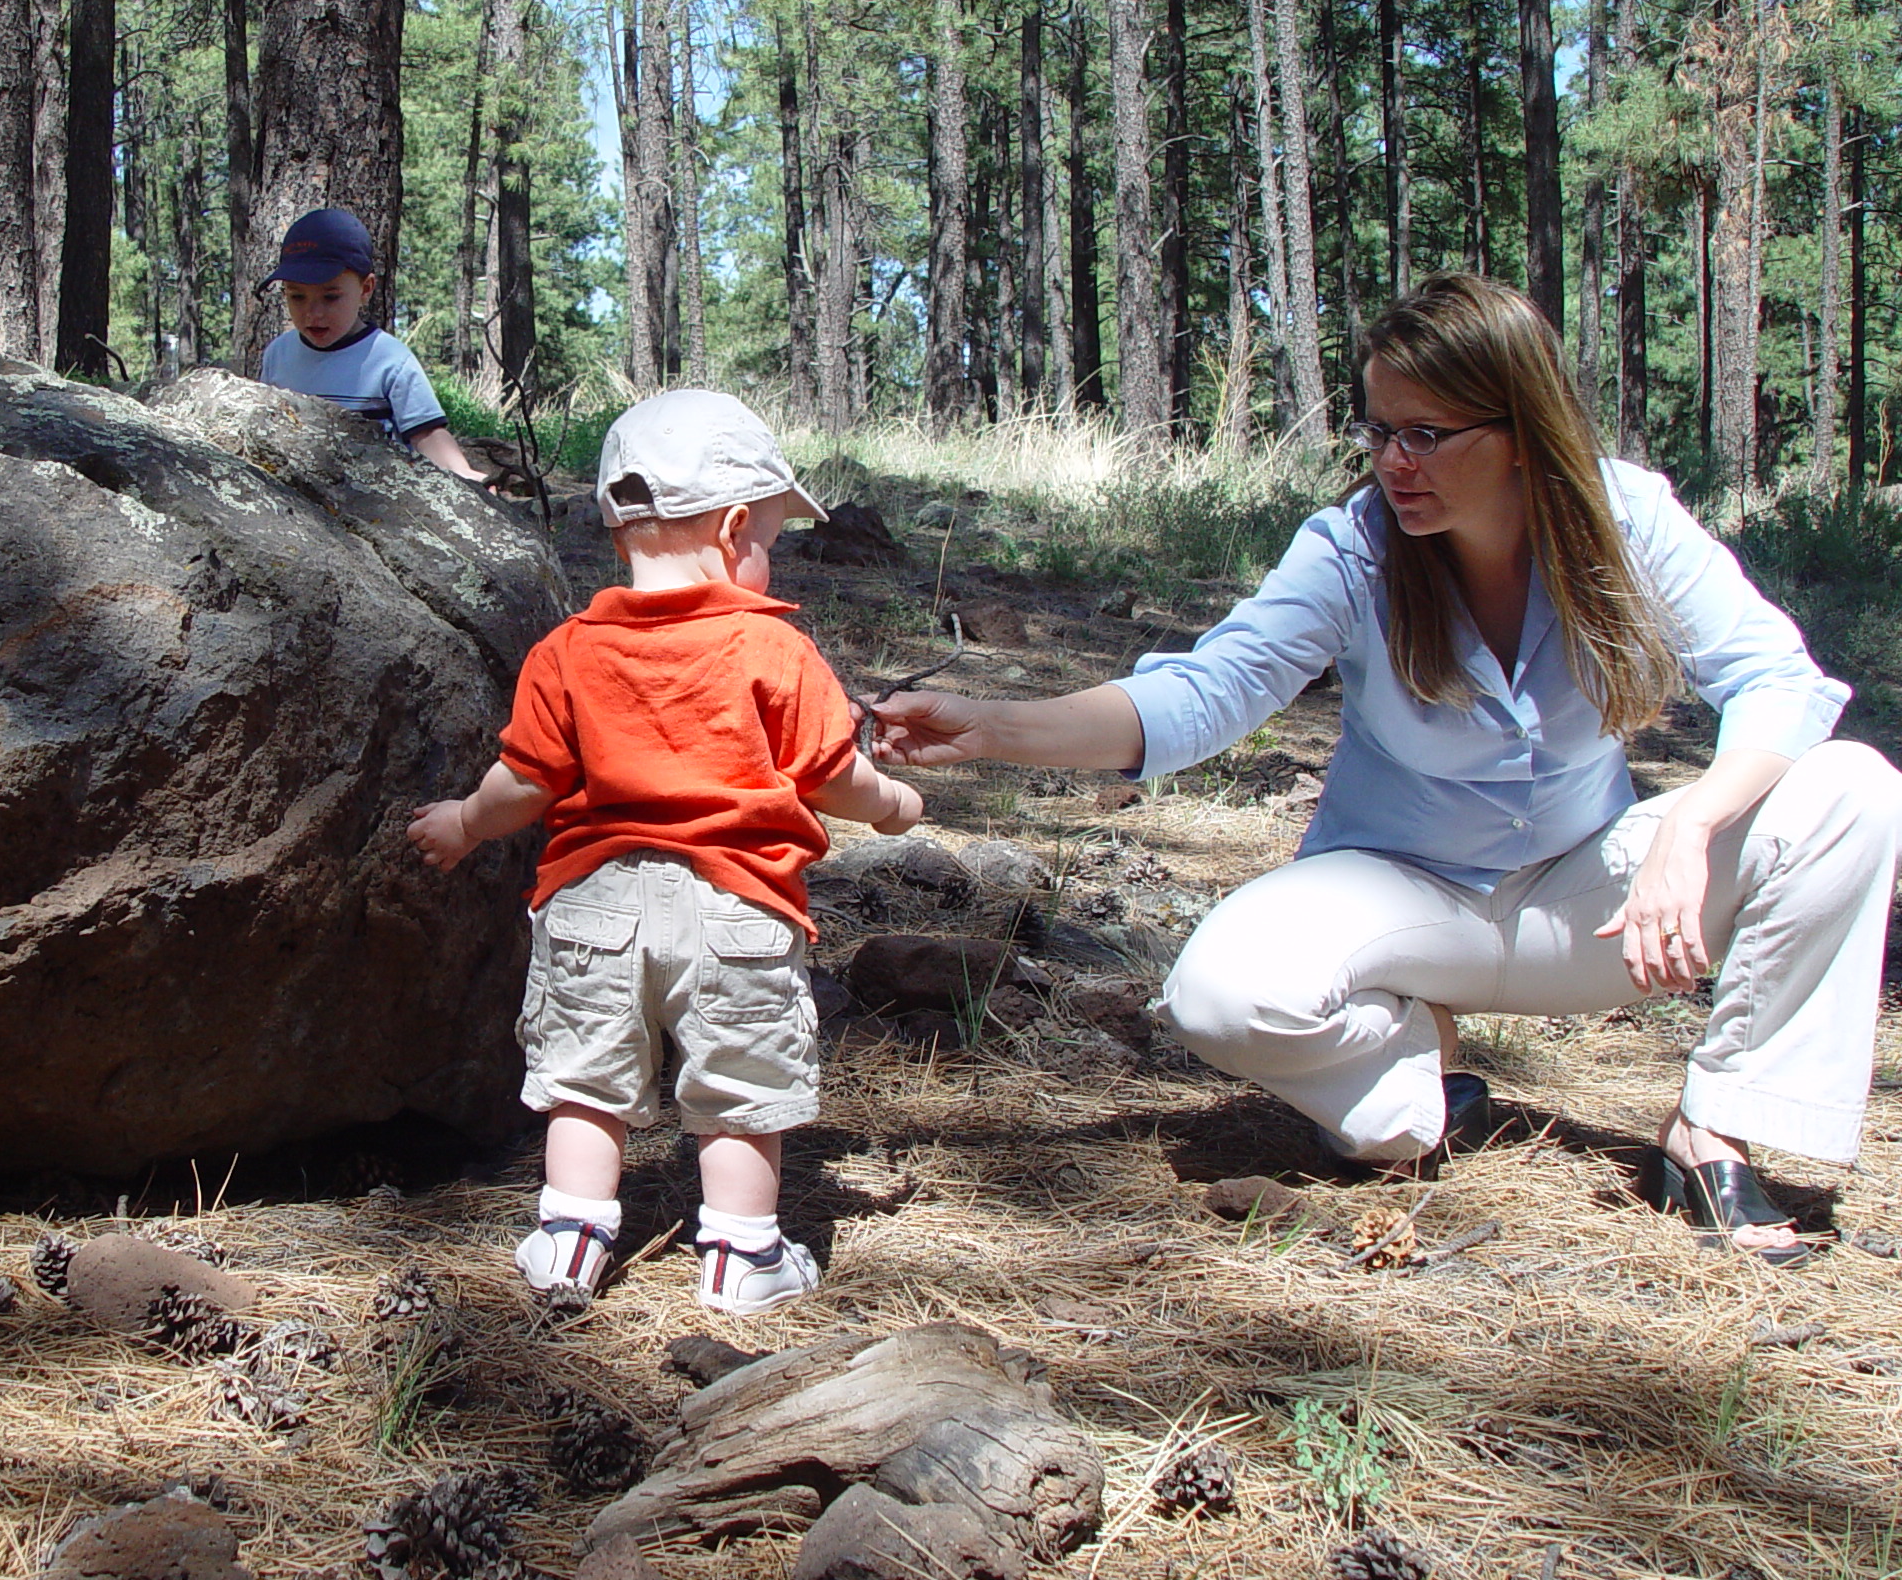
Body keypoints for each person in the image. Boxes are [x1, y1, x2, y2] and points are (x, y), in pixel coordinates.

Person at [875, 273, 1902, 1264]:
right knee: (1219, 999)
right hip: (1406, 909)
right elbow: (1208, 691)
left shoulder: (1623, 519)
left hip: (1590, 903)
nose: (1392, 462)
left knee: (1853, 789)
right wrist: (995, 725)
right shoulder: (1353, 546)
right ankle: (1417, 1086)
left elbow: (1781, 681)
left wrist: (1692, 823)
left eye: (1425, 434)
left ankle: (1714, 1130)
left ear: (1518, 428)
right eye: (1377, 431)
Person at [409, 390, 924, 1312]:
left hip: (593, 904)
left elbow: (522, 785)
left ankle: (568, 1239)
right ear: (733, 529)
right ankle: (742, 1257)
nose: (770, 556)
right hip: (740, 907)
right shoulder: (774, 646)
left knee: (587, 1082)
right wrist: (891, 803)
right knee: (736, 1085)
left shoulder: (565, 651)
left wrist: (461, 823)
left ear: (617, 530)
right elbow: (831, 779)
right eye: (770, 535)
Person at [256, 207, 489, 482]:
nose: (313, 313)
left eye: (330, 297)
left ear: (365, 289)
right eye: (297, 297)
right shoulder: (278, 355)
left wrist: (462, 473)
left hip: (376, 498)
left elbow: (425, 433)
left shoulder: (390, 359)